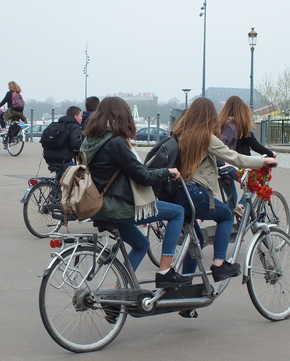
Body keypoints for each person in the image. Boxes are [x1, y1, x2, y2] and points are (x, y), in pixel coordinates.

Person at [80, 96, 191, 288]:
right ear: (121, 116)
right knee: (177, 212)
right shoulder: (115, 142)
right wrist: (167, 171)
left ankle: (118, 291)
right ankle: (165, 271)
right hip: (118, 206)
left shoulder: (89, 140)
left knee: (141, 245)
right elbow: (142, 176)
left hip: (98, 205)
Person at [172, 97, 277, 280]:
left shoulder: (179, 135)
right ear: (208, 116)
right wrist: (264, 160)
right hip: (195, 192)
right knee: (226, 215)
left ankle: (185, 286)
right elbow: (235, 158)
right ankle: (219, 265)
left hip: (177, 193)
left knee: (197, 241)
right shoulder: (205, 137)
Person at [218, 95, 277, 218]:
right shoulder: (242, 125)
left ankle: (226, 230)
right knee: (254, 184)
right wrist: (271, 154)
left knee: (231, 200)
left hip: (220, 166)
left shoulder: (219, 124)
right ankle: (242, 206)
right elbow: (255, 145)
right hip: (236, 165)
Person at [41, 106, 83, 179]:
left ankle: (55, 188)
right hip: (63, 160)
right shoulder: (74, 126)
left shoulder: (56, 125)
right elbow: (75, 144)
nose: (82, 118)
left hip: (49, 159)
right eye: (80, 115)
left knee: (61, 175)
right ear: (76, 116)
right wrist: (84, 146)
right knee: (79, 176)